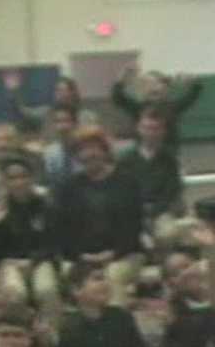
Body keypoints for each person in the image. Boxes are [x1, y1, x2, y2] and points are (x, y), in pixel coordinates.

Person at [51, 127, 145, 307]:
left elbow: (134, 226)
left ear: (104, 151)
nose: (89, 154)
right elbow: (62, 229)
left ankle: (115, 327)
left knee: (112, 276)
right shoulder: (68, 188)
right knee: (79, 282)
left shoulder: (127, 183)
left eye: (94, 148)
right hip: (80, 257)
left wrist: (112, 254)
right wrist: (82, 256)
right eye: (82, 150)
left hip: (124, 254)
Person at [0, 150, 63, 322]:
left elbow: (54, 243)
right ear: (5, 182)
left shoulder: (45, 206)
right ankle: (21, 339)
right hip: (7, 263)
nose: (19, 182)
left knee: (47, 290)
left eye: (23, 176)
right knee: (15, 293)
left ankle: (52, 340)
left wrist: (33, 260)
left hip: (41, 261)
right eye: (12, 178)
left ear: (31, 179)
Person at [115, 107, 188, 250]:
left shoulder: (170, 161)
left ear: (163, 131)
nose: (151, 133)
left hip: (161, 212)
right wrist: (140, 213)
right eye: (147, 128)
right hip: (131, 212)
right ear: (139, 129)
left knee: (168, 233)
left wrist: (153, 213)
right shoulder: (125, 161)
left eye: (156, 128)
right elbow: (121, 191)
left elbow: (171, 192)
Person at [112, 64, 203, 153]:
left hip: (167, 155)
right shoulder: (138, 108)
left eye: (157, 84)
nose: (153, 87)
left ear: (166, 89)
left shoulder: (172, 107)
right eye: (149, 85)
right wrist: (122, 78)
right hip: (144, 156)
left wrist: (191, 80)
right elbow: (118, 97)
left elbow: (194, 94)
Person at [3, 70, 99, 135]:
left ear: (73, 93)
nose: (61, 94)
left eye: (64, 90)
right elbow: (24, 112)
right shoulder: (47, 113)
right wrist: (14, 91)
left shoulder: (87, 116)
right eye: (58, 90)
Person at [40, 105, 84, 191]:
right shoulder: (49, 153)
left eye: (66, 121)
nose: (62, 127)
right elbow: (49, 182)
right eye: (58, 122)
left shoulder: (85, 149)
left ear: (76, 123)